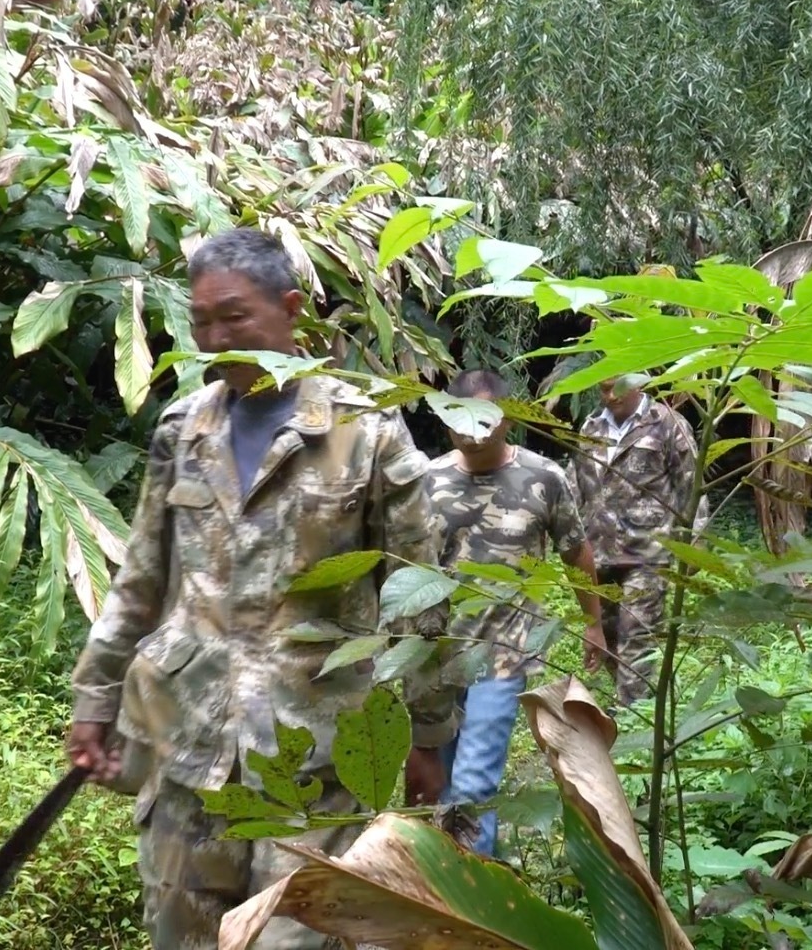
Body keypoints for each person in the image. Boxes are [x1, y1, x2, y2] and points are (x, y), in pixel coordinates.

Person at [64, 228, 457, 950]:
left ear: (290, 309)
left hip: (317, 758)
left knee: (298, 939)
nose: (215, 337)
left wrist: (428, 735)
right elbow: (140, 580)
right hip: (187, 749)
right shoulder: (183, 428)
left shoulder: (363, 429)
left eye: (233, 316)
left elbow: (416, 591)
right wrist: (94, 699)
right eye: (200, 321)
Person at [425, 369, 603, 856]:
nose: (472, 432)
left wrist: (594, 622)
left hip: (503, 654)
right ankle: (487, 867)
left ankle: (470, 905)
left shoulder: (543, 477)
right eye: (459, 419)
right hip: (436, 654)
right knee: (447, 776)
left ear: (507, 417)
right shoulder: (428, 480)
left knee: (473, 782)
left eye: (484, 419)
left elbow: (575, 549)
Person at [567, 373, 705, 706]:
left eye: (619, 388)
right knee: (609, 637)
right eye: (603, 388)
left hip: (648, 553)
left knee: (637, 637)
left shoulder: (668, 424)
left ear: (639, 385)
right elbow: (575, 485)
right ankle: (642, 702)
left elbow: (690, 485)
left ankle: (632, 720)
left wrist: (695, 546)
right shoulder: (591, 429)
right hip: (598, 552)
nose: (611, 396)